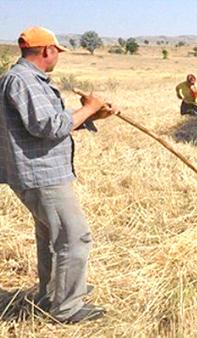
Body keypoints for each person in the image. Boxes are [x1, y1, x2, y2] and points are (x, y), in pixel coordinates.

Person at [0, 27, 118, 324]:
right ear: (46, 51)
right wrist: (89, 107)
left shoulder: (26, 80)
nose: (57, 58)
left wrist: (92, 114)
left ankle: (53, 294)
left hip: (41, 173)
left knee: (52, 237)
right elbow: (49, 127)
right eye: (56, 52)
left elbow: (51, 125)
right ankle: (67, 308)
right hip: (41, 175)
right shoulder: (23, 81)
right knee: (74, 237)